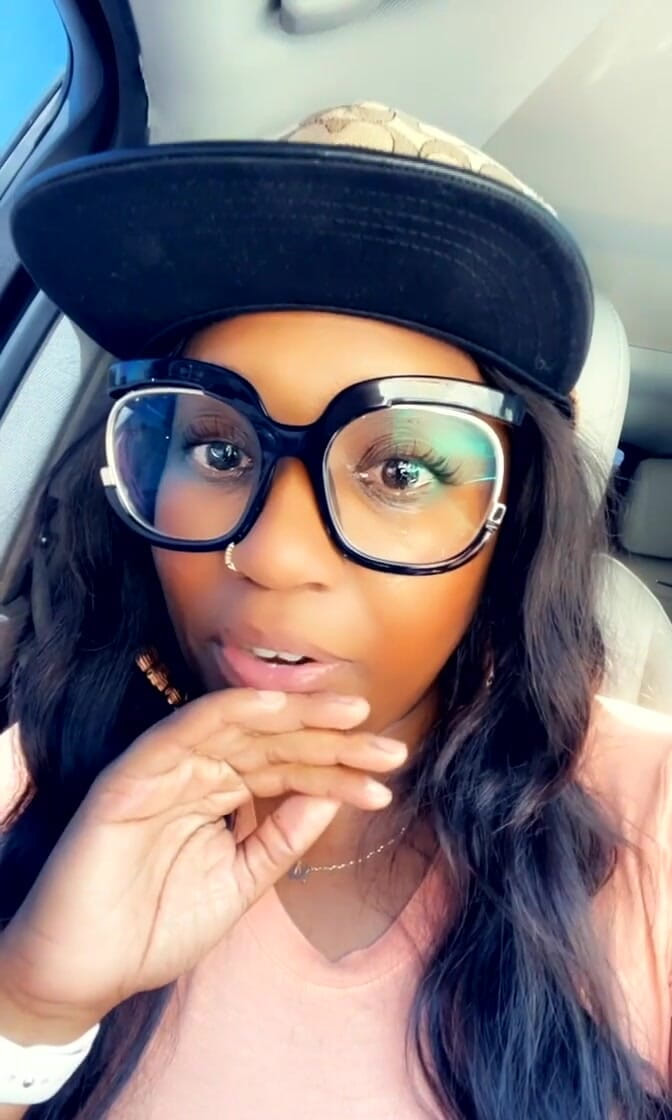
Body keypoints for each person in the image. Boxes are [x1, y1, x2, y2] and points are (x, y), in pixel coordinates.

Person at [0, 101, 670, 1120]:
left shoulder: (652, 815)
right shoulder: (29, 781)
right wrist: (27, 1014)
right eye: (217, 450)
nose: (271, 554)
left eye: (400, 469)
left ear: (514, 519)